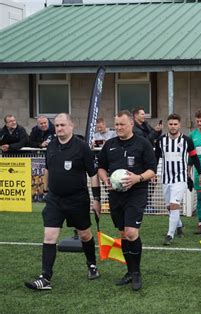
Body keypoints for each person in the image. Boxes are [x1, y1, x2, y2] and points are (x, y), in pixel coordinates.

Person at [24, 113, 102, 290]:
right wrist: (44, 190)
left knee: (84, 235)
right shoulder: (51, 146)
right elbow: (47, 169)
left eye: (62, 125)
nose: (59, 128)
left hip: (77, 200)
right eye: (57, 125)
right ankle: (45, 278)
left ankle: (91, 264)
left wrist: (97, 199)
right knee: (49, 236)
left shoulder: (82, 147)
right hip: (54, 200)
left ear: (71, 126)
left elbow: (93, 174)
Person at [97, 110, 157, 291]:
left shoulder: (142, 143)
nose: (118, 128)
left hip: (136, 193)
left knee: (131, 232)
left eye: (122, 124)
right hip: (116, 195)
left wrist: (137, 178)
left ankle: (136, 273)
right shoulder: (109, 145)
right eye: (116, 125)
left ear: (131, 124)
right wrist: (105, 180)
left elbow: (152, 170)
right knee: (123, 234)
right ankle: (129, 271)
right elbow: (100, 167)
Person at [155, 113, 201, 246]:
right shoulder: (161, 140)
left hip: (181, 178)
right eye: (170, 124)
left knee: (174, 204)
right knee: (169, 207)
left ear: (180, 125)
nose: (173, 126)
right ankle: (179, 225)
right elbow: (156, 158)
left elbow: (194, 158)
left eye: (175, 124)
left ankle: (169, 235)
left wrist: (200, 174)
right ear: (167, 125)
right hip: (166, 178)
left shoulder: (187, 140)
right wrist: (153, 173)